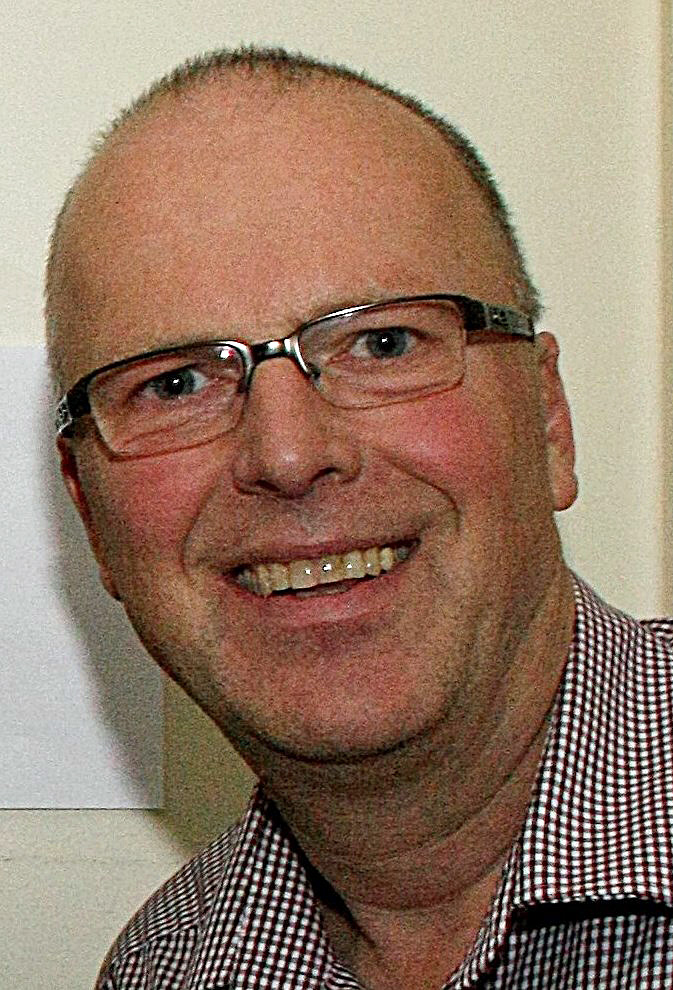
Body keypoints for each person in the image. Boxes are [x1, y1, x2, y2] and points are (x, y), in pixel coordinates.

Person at [46, 46, 673, 990]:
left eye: (382, 342)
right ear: (90, 514)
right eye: (174, 384)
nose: (287, 454)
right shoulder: (161, 969)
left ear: (548, 419)